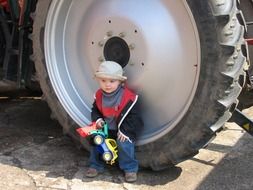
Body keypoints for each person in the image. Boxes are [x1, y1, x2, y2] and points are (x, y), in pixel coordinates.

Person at [85, 61, 143, 182]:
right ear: (98, 80)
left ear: (120, 82)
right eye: (103, 81)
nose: (107, 85)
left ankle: (130, 168)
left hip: (122, 129)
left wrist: (126, 131)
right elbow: (95, 110)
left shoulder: (128, 98)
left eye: (112, 81)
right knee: (96, 138)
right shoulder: (99, 95)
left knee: (124, 142)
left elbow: (135, 118)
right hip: (106, 128)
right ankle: (95, 165)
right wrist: (98, 120)